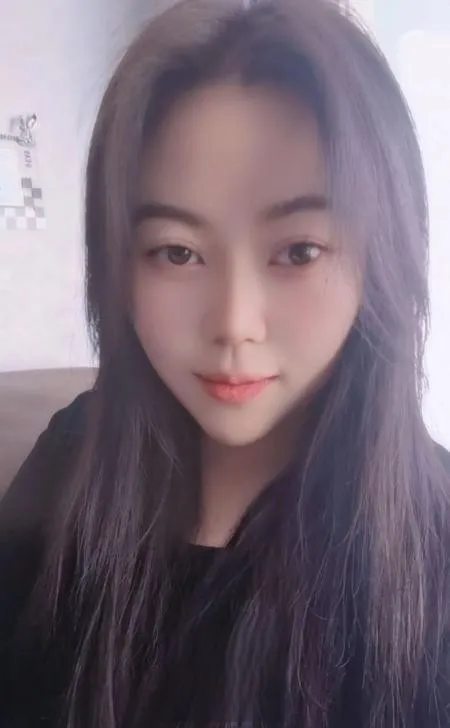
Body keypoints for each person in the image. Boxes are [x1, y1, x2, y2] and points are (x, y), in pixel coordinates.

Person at [0, 0, 449, 725]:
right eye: (178, 253)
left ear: (382, 256)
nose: (234, 324)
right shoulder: (73, 456)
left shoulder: (435, 547)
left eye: (299, 251)